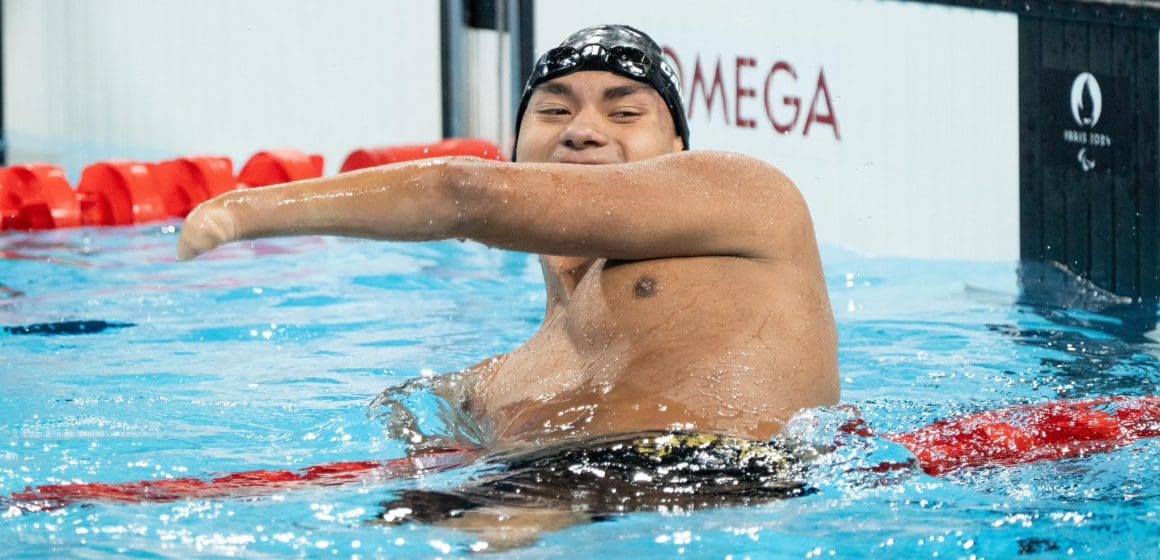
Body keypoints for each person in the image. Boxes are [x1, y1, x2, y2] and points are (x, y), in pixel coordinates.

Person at [179, 24, 838, 547]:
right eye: (553, 110)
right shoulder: (494, 382)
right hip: (556, 497)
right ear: (520, 151)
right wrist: (425, 412)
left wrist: (243, 210)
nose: (582, 131)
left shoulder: (751, 199)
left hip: (724, 485)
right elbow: (420, 414)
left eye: (624, 112)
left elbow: (462, 192)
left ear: (679, 146)